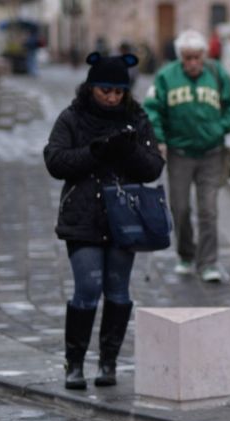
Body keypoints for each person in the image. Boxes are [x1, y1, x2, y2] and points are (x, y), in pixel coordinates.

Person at [43, 53, 165, 390]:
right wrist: (94, 152)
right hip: (82, 216)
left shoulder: (137, 118)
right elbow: (54, 160)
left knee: (118, 290)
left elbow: (154, 166)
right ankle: (75, 364)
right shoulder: (72, 118)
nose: (112, 98)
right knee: (87, 288)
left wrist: (129, 151)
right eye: (105, 90)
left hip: (125, 218)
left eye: (118, 92)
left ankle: (108, 362)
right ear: (91, 88)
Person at [143, 29, 230, 282]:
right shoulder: (166, 76)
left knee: (208, 209)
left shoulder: (217, 73)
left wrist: (221, 127)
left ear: (204, 56)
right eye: (187, 58)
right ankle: (186, 254)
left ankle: (208, 262)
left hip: (212, 153)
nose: (193, 63)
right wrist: (160, 139)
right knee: (181, 208)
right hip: (180, 153)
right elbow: (152, 109)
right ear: (180, 58)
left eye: (197, 57)